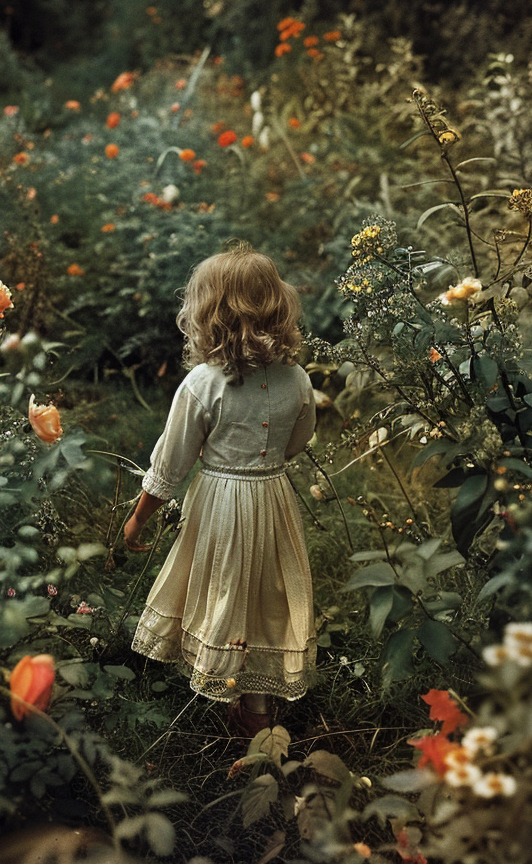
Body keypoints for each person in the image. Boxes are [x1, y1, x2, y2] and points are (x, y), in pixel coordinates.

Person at [124, 242, 317, 737]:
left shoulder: (202, 385)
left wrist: (138, 517)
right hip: (272, 498)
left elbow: (171, 464)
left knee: (226, 585)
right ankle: (258, 714)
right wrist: (266, 460)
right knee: (266, 594)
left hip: (220, 505)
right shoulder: (297, 379)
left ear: (209, 315)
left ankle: (227, 682)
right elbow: (301, 439)